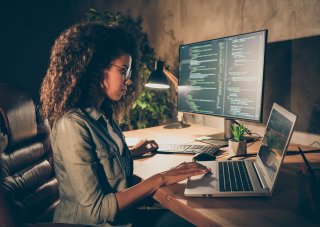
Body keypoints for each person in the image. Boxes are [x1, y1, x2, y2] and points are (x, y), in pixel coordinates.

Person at [40, 22, 210, 227]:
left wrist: (131, 153)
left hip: (124, 218)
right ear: (95, 68)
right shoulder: (72, 126)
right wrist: (161, 178)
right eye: (123, 71)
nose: (129, 81)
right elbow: (96, 211)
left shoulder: (102, 116)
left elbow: (101, 162)